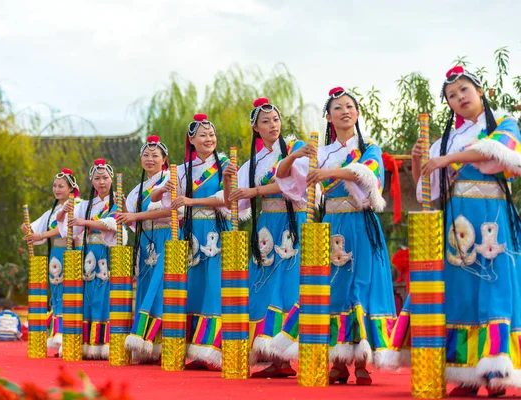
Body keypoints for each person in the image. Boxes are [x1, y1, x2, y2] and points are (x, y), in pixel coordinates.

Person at [411, 66, 521, 397]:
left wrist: (446, 159)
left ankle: (498, 372)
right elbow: (428, 194)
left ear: (481, 90)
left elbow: (494, 153)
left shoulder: (504, 124)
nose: (459, 98)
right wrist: (420, 162)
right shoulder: (447, 140)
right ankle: (468, 375)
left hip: (492, 220)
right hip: (457, 223)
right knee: (461, 293)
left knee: (495, 288)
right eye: (451, 95)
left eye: (464, 90)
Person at [275, 87, 396, 385]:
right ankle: (339, 360)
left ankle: (363, 360)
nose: (345, 111)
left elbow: (366, 173)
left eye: (350, 106)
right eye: (338, 108)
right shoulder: (321, 153)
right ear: (328, 117)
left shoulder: (370, 149)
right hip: (331, 226)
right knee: (333, 289)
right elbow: (285, 177)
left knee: (362, 287)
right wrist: (294, 156)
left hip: (361, 223)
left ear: (357, 114)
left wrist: (329, 174)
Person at [223, 98, 306, 377]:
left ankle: (295, 352)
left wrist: (255, 192)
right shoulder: (253, 163)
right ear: (255, 128)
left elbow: (293, 186)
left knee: (289, 285)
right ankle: (276, 358)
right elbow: (234, 204)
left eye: (276, 120)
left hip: (293, 222)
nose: (273, 125)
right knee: (261, 286)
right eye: (266, 121)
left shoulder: (295, 149)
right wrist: (227, 180)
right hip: (267, 227)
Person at [165, 114, 230, 369]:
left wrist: (190, 202)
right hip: (190, 231)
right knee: (193, 287)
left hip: (215, 228)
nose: (208, 139)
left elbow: (226, 199)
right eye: (202, 135)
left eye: (211, 135)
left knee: (215, 286)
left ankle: (214, 349)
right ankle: (194, 349)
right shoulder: (180, 170)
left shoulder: (225, 164)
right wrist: (164, 192)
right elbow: (172, 203)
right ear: (191, 140)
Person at [60, 158, 124, 359]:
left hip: (107, 253)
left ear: (111, 179)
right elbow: (67, 228)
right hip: (88, 253)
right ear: (91, 181)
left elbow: (112, 224)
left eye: (105, 177)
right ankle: (88, 342)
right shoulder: (86, 205)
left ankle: (106, 342)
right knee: (88, 297)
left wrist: (85, 221)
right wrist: (65, 211)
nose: (101, 182)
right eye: (97, 178)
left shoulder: (119, 201)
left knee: (106, 296)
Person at [119, 136, 171, 363]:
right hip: (144, 241)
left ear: (164, 159)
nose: (150, 159)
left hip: (165, 236)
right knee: (145, 286)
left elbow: (171, 211)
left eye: (155, 155)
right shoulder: (137, 190)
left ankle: (162, 344)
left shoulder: (170, 179)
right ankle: (145, 347)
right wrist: (122, 211)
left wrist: (134, 215)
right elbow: (130, 221)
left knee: (161, 288)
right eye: (146, 155)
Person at [22, 168, 81, 354]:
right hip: (57, 252)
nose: (57, 189)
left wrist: (40, 234)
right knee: (57, 293)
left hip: (73, 251)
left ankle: (71, 336)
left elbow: (64, 229)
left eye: (61, 186)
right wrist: (26, 228)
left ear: (71, 188)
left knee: (71, 294)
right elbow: (35, 230)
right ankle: (59, 334)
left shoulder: (77, 205)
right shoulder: (53, 211)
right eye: (55, 185)